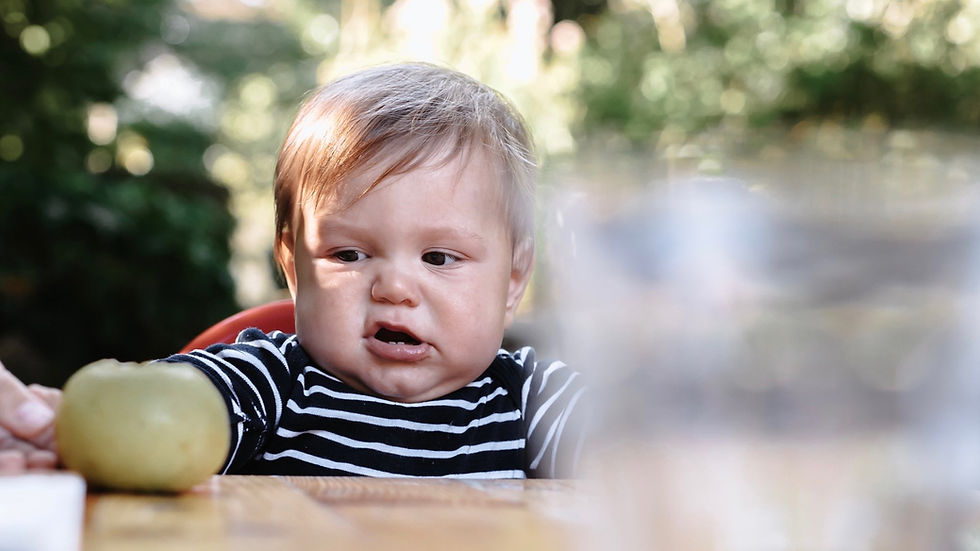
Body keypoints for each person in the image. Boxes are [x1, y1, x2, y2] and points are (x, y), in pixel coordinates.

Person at [0, 62, 587, 478]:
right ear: (293, 267)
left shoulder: (530, 399)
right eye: (349, 255)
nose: (394, 288)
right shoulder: (273, 385)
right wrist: (61, 426)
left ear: (514, 280)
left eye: (439, 257)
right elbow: (172, 409)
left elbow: (647, 450)